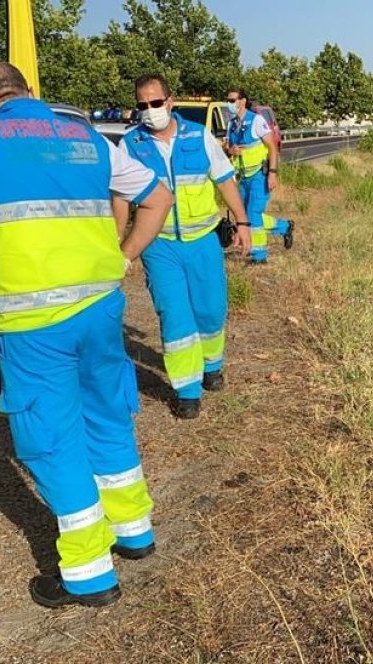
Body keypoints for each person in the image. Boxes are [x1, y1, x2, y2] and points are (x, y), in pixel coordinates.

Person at [0, 62, 175, 609]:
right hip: (100, 308)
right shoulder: (87, 135)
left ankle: (88, 574)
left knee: (51, 437)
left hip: (33, 321)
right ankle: (134, 531)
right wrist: (123, 256)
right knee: (108, 415)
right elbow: (157, 198)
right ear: (29, 93)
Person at [115, 74, 251, 419]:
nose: (150, 110)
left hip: (203, 240)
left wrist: (243, 222)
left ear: (170, 102)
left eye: (156, 103)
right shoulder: (130, 145)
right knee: (174, 315)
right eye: (143, 105)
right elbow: (120, 197)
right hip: (159, 245)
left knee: (210, 309)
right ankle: (187, 390)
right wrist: (118, 241)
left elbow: (225, 180)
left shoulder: (198, 136)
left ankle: (212, 365)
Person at [223, 89, 294, 263]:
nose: (229, 104)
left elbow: (272, 147)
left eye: (232, 100)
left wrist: (272, 174)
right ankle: (284, 226)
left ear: (243, 101)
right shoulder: (231, 124)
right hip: (242, 177)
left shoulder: (256, 121)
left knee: (253, 213)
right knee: (246, 216)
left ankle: (259, 255)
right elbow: (227, 149)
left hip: (259, 175)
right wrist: (229, 150)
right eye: (228, 100)